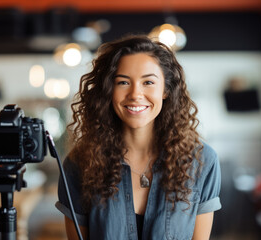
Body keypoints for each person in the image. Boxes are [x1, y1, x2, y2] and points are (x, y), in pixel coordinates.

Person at [55, 35, 222, 240]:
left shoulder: (202, 161)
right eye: (123, 82)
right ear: (108, 90)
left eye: (148, 82)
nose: (135, 94)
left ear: (166, 90)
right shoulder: (79, 163)